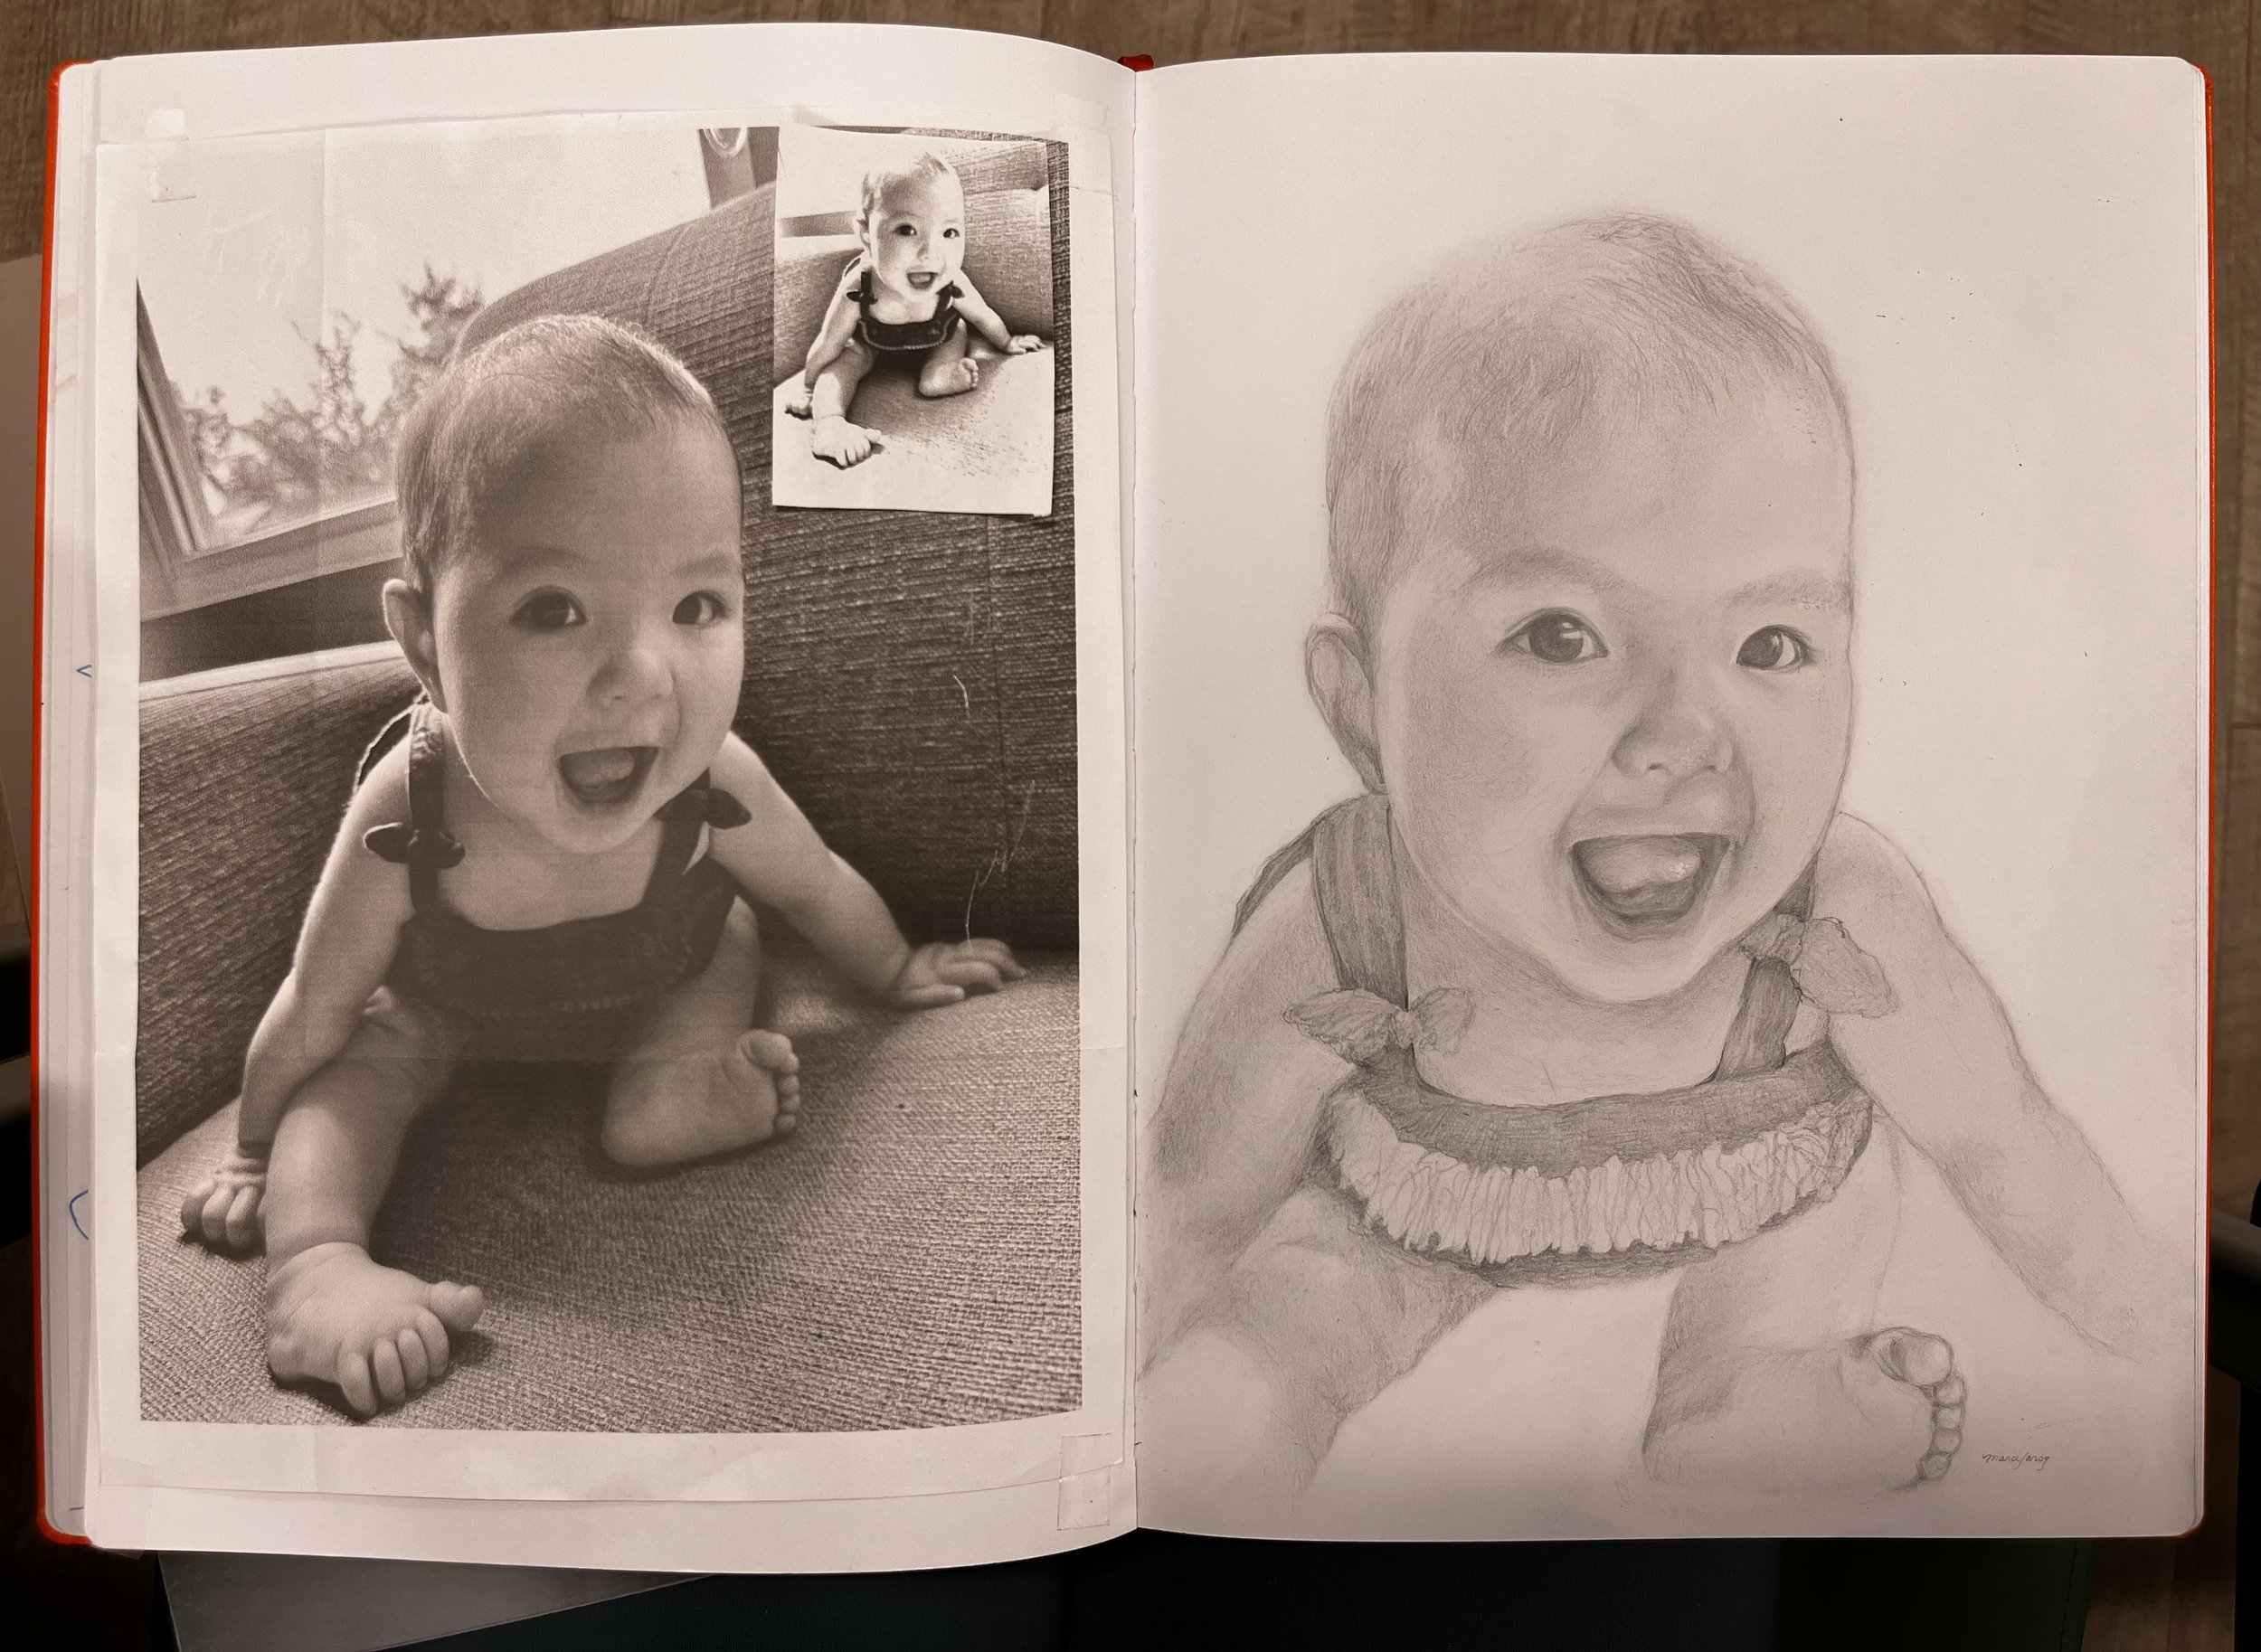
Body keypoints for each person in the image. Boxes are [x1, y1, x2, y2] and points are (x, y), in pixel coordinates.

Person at [1139, 213, 2184, 1518]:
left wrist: (2166, 1347)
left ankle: (1735, 1391)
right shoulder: (1353, 918)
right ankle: (1243, 1404)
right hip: (1414, 1206)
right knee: (1302, 1294)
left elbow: (2003, 1142)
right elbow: (1194, 1184)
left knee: (1824, 1225)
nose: (1686, 737)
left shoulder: (1835, 913)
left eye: (1773, 644)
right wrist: (1145, 1374)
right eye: (1563, 635)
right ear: (1362, 710)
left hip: (1755, 1193)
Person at [180, 314, 1024, 1416]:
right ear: (426, 642)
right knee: (353, 1079)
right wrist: (251, 1153)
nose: (642, 673)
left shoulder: (712, 780)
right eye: (554, 610)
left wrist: (897, 968)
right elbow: (317, 1000)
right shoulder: (409, 810)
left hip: (660, 975)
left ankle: (667, 1089)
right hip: (447, 1009)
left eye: (697, 608)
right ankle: (315, 1268)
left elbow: (810, 882)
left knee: (724, 947)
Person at [785, 149, 1045, 468]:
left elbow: (980, 313)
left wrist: (1007, 342)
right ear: (865, 233)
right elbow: (830, 341)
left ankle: (938, 373)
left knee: (957, 332)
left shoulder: (951, 284)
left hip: (938, 339)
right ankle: (828, 423)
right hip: (871, 345)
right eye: (907, 230)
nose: (931, 252)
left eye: (949, 232)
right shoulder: (860, 287)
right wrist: (808, 387)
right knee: (841, 363)